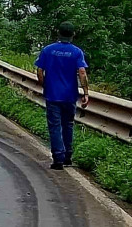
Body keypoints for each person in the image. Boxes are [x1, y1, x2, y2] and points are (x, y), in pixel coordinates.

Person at [35, 22, 90, 170]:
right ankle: (68, 156)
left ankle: (58, 158)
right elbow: (82, 72)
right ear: (73, 35)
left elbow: (40, 70)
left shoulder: (48, 50)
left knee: (54, 126)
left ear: (58, 33)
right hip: (70, 95)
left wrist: (44, 84)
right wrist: (85, 92)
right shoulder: (77, 52)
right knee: (68, 125)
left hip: (53, 94)